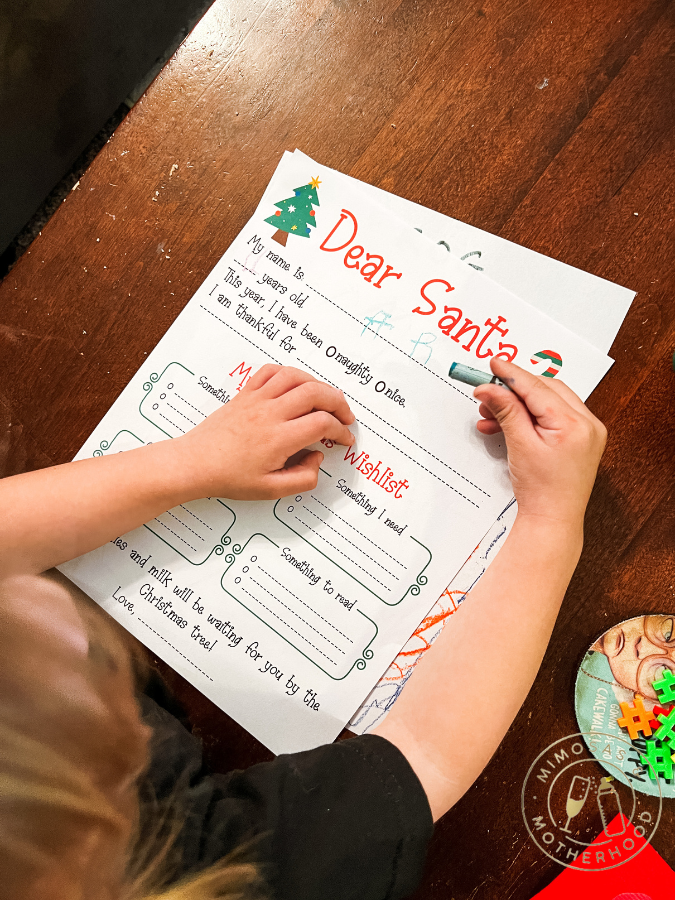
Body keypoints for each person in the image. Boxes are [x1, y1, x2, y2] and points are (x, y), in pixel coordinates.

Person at [0, 357, 606, 899]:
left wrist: (185, 464)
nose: (30, 584)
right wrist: (551, 519)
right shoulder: (204, 874)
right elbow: (421, 757)